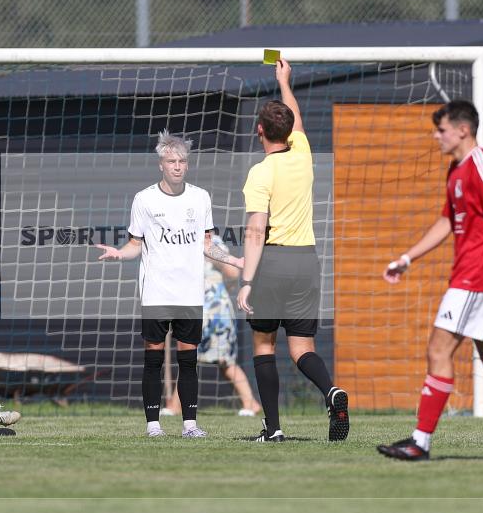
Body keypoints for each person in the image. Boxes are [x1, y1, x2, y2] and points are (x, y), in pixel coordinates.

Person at [377, 100, 483, 462]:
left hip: (475, 278)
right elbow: (447, 221)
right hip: (471, 276)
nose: (437, 136)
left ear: (463, 130)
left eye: (442, 130)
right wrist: (406, 258)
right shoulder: (456, 171)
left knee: (438, 349)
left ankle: (420, 441)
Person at [96, 130, 243, 438]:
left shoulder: (200, 197)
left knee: (189, 360)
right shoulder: (145, 199)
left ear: (187, 165)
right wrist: (119, 254)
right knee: (153, 359)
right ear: (161, 164)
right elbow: (135, 244)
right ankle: (153, 426)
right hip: (157, 293)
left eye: (182, 161)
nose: (177, 166)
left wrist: (234, 260)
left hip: (190, 293)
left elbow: (208, 244)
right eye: (171, 161)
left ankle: (190, 424)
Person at [236, 59, 349, 443]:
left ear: (260, 131)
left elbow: (255, 231)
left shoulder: (260, 172)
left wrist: (247, 281)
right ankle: (331, 392)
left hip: (274, 261)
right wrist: (285, 80)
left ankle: (273, 428)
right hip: (306, 260)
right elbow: (296, 119)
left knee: (264, 346)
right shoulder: (302, 154)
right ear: (288, 132)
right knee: (303, 348)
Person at [163, 235, 261, 417]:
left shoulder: (212, 242)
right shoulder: (182, 240)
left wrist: (214, 259)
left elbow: (233, 273)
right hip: (194, 309)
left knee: (225, 361)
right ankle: (175, 405)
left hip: (216, 314)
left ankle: (251, 403)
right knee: (189, 358)